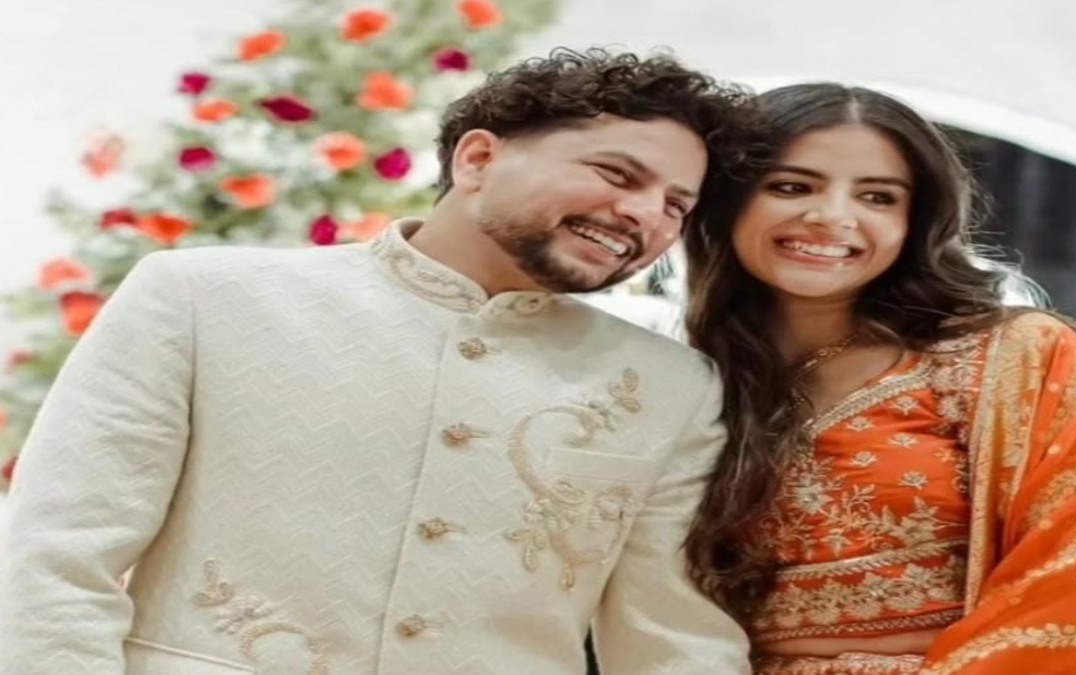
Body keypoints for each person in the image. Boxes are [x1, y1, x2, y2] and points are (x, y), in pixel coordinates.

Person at [0, 48, 767, 675]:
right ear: (477, 158)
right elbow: (56, 561)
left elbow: (674, 639)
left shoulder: (670, 386)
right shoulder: (204, 298)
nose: (644, 214)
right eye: (617, 174)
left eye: (676, 205)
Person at [682, 82, 1076, 674]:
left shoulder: (1011, 357)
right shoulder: (682, 384)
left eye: (878, 197)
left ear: (914, 221)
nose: (833, 216)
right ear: (726, 200)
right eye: (792, 186)